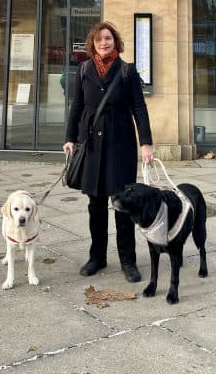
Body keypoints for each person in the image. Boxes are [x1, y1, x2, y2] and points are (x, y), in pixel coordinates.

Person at [63, 21, 153, 282]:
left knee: (123, 205)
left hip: (120, 144)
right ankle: (97, 257)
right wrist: (70, 138)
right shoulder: (84, 69)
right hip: (91, 145)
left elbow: (139, 108)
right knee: (96, 205)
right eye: (100, 39)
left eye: (109, 39)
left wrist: (145, 142)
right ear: (93, 43)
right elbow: (76, 107)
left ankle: (128, 261)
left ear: (115, 42)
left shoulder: (127, 71)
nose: (105, 43)